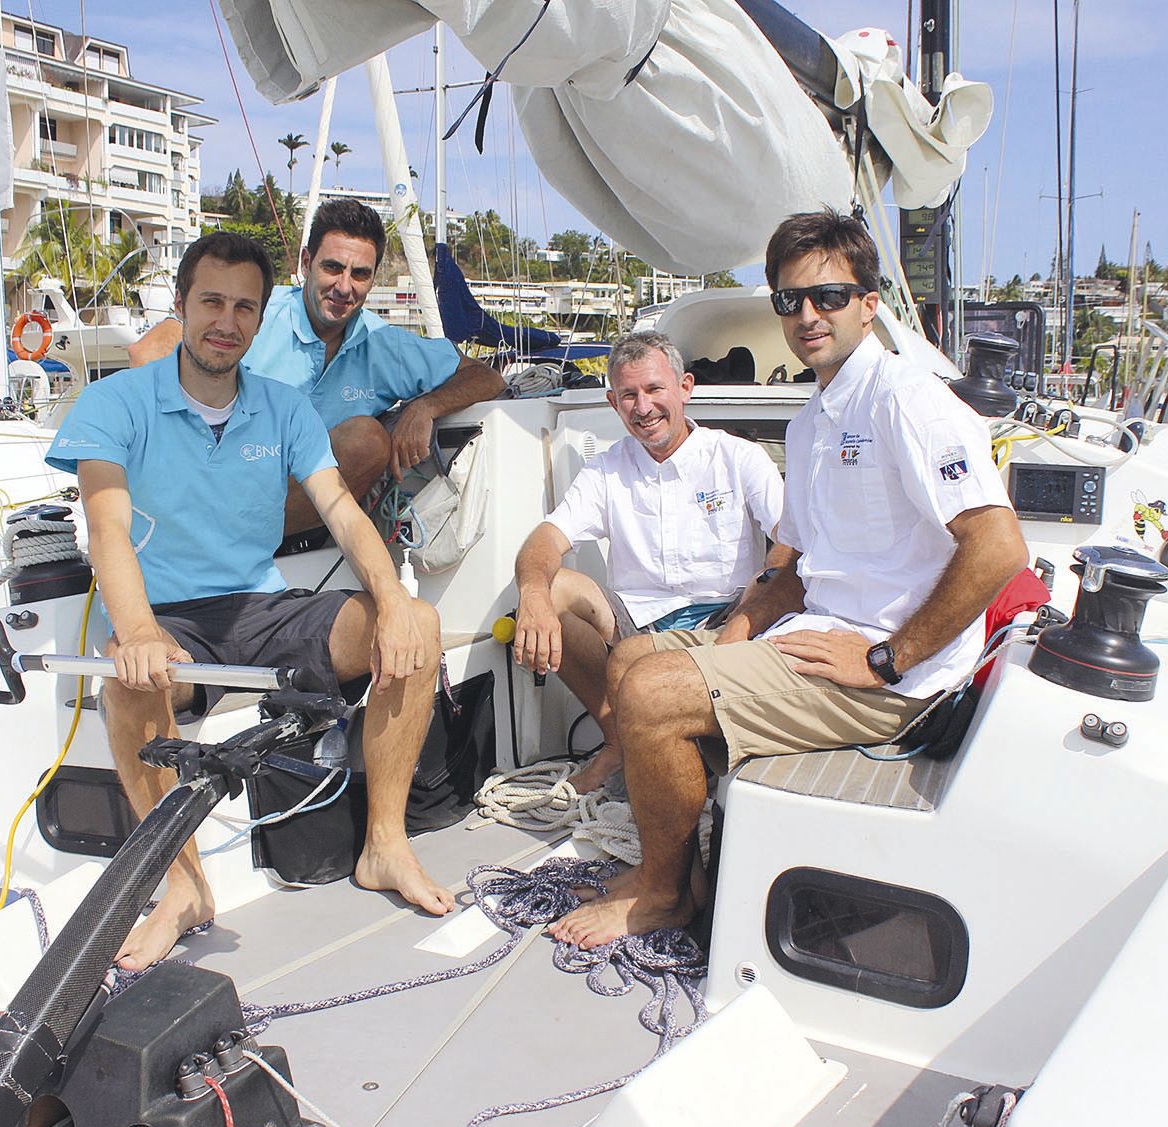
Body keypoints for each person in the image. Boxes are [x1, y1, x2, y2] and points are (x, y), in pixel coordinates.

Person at [550, 209, 1028, 948]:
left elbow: (998, 547)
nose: (808, 315)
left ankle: (663, 895)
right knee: (642, 660)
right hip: (816, 634)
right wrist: (729, 639)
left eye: (829, 296)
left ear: (870, 304)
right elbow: (795, 570)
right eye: (789, 300)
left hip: (892, 675)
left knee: (649, 693)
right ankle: (693, 871)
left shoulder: (903, 397)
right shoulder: (811, 423)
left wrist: (886, 658)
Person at [47, 231, 455, 972]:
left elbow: (341, 510)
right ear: (180, 304)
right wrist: (135, 627)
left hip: (260, 607)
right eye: (211, 301)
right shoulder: (115, 403)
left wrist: (391, 597)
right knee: (132, 680)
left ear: (261, 318)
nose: (225, 321)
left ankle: (385, 845)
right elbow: (106, 523)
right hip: (168, 613)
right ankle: (183, 885)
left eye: (244, 306)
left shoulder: (283, 408)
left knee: (419, 624)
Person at [127, 198, 505, 534]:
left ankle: (242, 540)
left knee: (368, 440)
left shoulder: (384, 344)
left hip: (290, 515)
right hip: (217, 485)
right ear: (306, 263)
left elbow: (485, 377)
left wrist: (426, 407)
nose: (344, 286)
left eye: (360, 274)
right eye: (332, 268)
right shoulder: (257, 310)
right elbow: (147, 352)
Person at [512, 329, 783, 793]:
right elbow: (545, 537)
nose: (643, 407)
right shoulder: (606, 469)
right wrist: (533, 594)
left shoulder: (738, 458)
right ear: (612, 402)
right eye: (628, 395)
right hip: (636, 621)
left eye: (655, 389)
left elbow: (789, 541)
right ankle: (617, 741)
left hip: (726, 618)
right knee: (550, 592)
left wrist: (750, 612)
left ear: (685, 388)